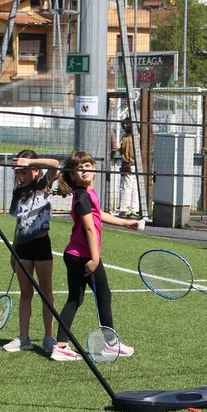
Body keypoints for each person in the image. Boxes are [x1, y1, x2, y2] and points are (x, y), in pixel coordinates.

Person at [46, 151, 139, 361]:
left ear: (94, 168)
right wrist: (95, 258)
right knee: (104, 296)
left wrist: (125, 223)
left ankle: (60, 346)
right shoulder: (82, 197)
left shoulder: (88, 192)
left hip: (74, 254)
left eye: (88, 166)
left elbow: (99, 215)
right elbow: (89, 229)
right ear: (72, 175)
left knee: (75, 299)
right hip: (83, 256)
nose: (85, 170)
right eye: (80, 168)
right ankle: (111, 344)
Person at [3, 151, 58, 354]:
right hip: (23, 248)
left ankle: (48, 338)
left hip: (41, 245)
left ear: (35, 170)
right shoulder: (18, 193)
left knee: (46, 293)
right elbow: (19, 223)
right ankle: (24, 338)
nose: (20, 176)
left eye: (24, 171)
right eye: (18, 172)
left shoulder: (44, 184)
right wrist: (13, 251)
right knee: (25, 294)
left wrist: (32, 161)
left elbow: (55, 164)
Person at [114, 122, 140, 218]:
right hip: (136, 165)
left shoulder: (126, 138)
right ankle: (134, 209)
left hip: (127, 164)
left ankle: (124, 209)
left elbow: (120, 150)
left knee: (126, 186)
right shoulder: (138, 136)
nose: (125, 126)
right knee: (134, 187)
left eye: (127, 124)